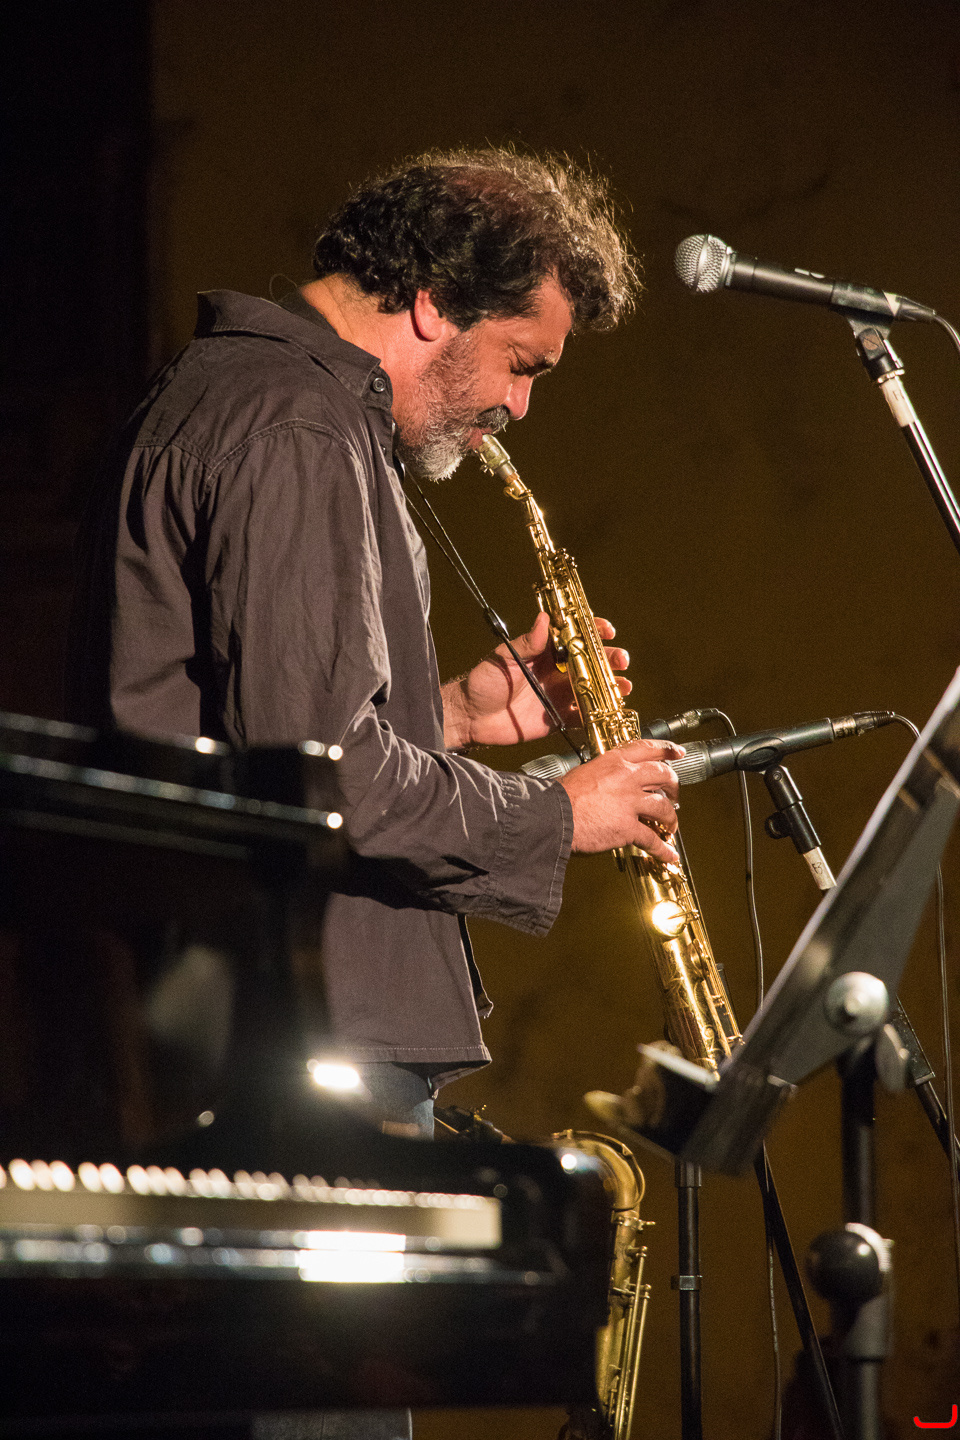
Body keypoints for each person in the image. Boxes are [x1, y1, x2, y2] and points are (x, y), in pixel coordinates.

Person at [67, 145, 680, 1143]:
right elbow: (328, 775)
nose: (518, 407)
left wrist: (450, 713)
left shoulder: (246, 396)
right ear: (434, 304)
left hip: (254, 1015)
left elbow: (255, 733)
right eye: (522, 364)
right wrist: (557, 814)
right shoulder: (296, 424)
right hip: (301, 1028)